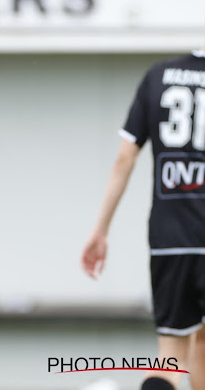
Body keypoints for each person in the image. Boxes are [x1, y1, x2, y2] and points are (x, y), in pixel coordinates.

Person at [81, 48, 205, 390]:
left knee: (171, 357)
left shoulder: (159, 75)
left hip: (171, 237)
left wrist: (101, 231)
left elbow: (125, 158)